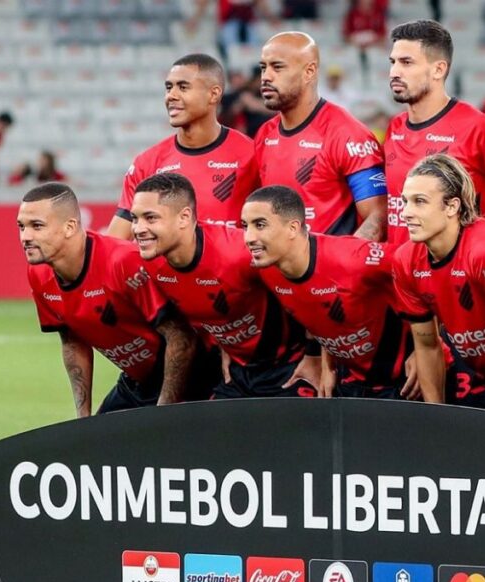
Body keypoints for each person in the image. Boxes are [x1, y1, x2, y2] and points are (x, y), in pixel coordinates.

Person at [130, 172, 318, 398]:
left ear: (184, 217)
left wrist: (314, 355)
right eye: (134, 218)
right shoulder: (148, 262)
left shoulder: (239, 252)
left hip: (289, 367)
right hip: (235, 373)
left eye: (150, 218)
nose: (138, 228)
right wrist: (222, 343)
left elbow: (309, 287)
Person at [18, 182, 196, 416]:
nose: (25, 237)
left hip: (189, 375)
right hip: (136, 382)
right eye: (21, 226)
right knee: (93, 437)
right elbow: (72, 342)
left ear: (69, 227)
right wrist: (83, 417)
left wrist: (163, 413)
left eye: (37, 226)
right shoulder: (38, 274)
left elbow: (180, 336)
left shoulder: (121, 261)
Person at [243, 185, 413, 398]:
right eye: (245, 226)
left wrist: (426, 347)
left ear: (293, 228)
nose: (248, 237)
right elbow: (320, 307)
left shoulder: (352, 258)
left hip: (405, 381)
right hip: (351, 380)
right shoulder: (267, 269)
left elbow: (419, 268)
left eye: (260, 225)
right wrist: (326, 364)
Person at [391, 155, 485, 413]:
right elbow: (427, 346)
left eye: (419, 201)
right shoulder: (405, 259)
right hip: (481, 373)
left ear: (452, 206)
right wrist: (436, 418)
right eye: (405, 201)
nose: (406, 212)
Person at [384, 20, 485, 244]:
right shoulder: (395, 127)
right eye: (393, 62)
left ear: (438, 69)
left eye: (406, 62)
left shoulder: (479, 127)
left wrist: (484, 223)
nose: (394, 72)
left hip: (458, 265)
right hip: (399, 264)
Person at [108, 54, 259, 241]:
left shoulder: (251, 154)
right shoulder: (147, 163)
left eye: (183, 87)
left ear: (213, 94)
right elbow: (115, 244)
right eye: (168, 87)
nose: (171, 96)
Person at [255, 32, 387, 240]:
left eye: (277, 67)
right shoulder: (265, 134)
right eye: (264, 67)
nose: (266, 77)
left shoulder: (347, 134)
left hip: (330, 260)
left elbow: (377, 217)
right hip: (277, 260)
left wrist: (339, 257)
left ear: (309, 72)